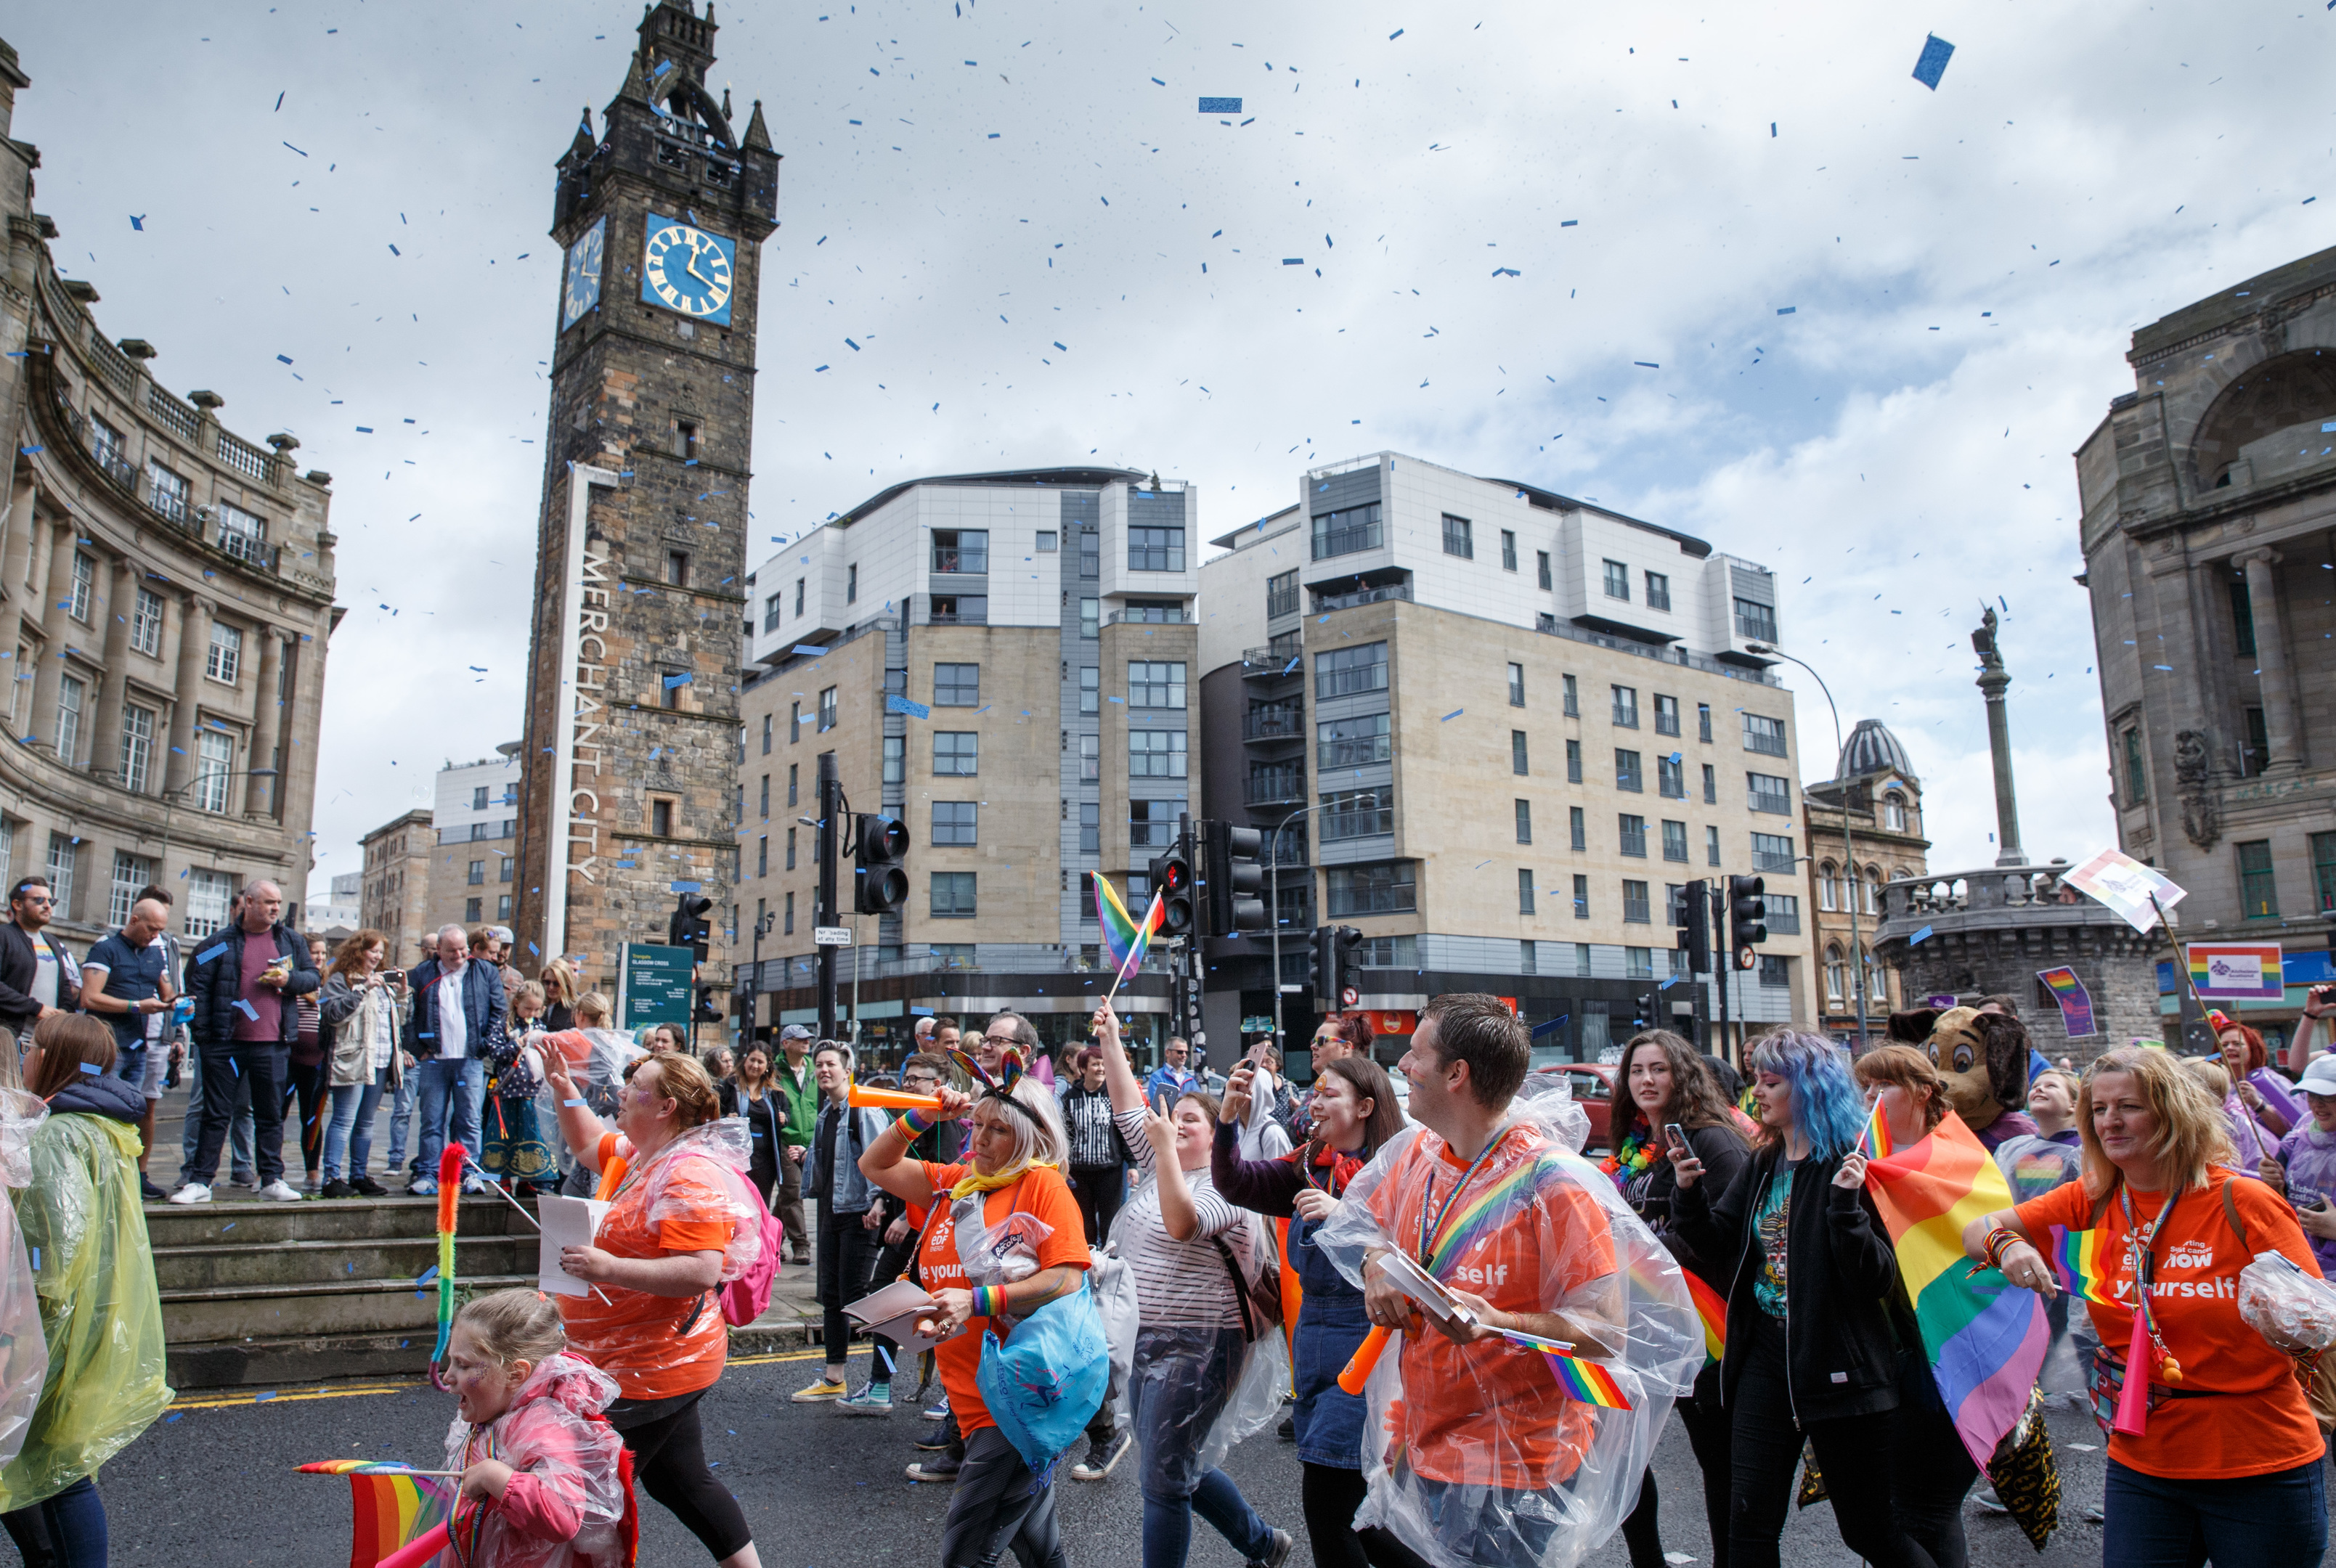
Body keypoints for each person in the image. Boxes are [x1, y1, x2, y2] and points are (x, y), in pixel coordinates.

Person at [1964, 1045, 2329, 1565]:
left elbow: (2316, 1320)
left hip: (2259, 1462)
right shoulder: (2092, 1197)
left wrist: (2284, 1316)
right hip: (2144, 1462)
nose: (2110, 1120)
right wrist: (2009, 1244)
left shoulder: (2242, 1201)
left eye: (2128, 1106)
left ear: (2172, 1111)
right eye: (2098, 1109)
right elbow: (1975, 1231)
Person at [1669, 1030, 1936, 1568]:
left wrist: (1845, 1211)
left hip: (1842, 1372)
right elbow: (1717, 1244)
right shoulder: (1765, 1162)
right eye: (1757, 1081)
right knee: (1748, 1527)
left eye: (1771, 1082)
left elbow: (1877, 1279)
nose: (1757, 1092)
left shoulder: (1850, 1163)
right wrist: (1688, 1194)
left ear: (1810, 1089)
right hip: (1764, 1364)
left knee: (1868, 1532)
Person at [855, 1034, 1090, 1568]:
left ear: (1029, 1137)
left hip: (1016, 1404)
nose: (979, 1138)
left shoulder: (1041, 1186)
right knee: (1039, 1549)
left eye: (997, 1129)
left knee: (964, 1556)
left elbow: (1067, 1279)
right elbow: (877, 1165)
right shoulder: (957, 1183)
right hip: (970, 1400)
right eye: (976, 1125)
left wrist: (976, 1300)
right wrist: (922, 1119)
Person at [541, 1048, 763, 1568]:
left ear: (664, 1107)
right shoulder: (641, 1156)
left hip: (653, 1367)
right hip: (631, 1358)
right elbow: (587, 1142)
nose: (621, 1091)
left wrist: (607, 1269)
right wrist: (562, 1087)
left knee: (583, 1496)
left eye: (635, 1083)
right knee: (680, 1480)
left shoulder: (688, 1174)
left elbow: (702, 1270)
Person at [1089, 1001, 1292, 1568]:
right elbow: (1128, 1103)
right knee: (1173, 1462)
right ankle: (1261, 1542)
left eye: (1190, 1122)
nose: (1175, 1126)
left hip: (1204, 1344)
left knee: (1161, 1479)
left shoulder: (1228, 1185)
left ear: (1214, 1135)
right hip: (1145, 1334)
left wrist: (1159, 1146)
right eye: (1170, 1118)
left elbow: (1183, 1225)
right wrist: (1109, 1038)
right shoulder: (1161, 1165)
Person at [1210, 1051, 1408, 1568]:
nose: (1312, 1103)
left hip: (1368, 1347)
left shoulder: (1401, 1171)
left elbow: (1416, 1259)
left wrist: (1346, 1215)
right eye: (1314, 1092)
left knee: (1328, 1505)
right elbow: (1235, 1183)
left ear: (1365, 1106)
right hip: (1313, 1350)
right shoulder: (1307, 1164)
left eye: (1328, 1094)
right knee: (1359, 1517)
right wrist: (1227, 1120)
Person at [0, 1015, 170, 1562]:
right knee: (58, 1467)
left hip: (56, 1329)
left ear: (54, 1059)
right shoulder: (105, 1128)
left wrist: (22, 1329)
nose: (26, 1057)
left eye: (33, 1048)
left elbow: (54, 1245)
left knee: (55, 1471)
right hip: (94, 1316)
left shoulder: (57, 1134)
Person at [1603, 1031, 1749, 1568]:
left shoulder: (1712, 1140)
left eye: (1658, 1069)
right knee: (1621, 1449)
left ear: (1681, 1074)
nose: (1645, 1080)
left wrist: (1643, 1253)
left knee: (1717, 1458)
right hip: (1642, 1323)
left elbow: (1731, 1234)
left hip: (1706, 1328)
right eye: (1636, 1071)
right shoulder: (1635, 1143)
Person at [1850, 1045, 1981, 1568]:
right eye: (1863, 1088)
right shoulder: (1869, 1162)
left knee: (1925, 1509)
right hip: (1885, 1355)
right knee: (1897, 1511)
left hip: (1945, 1355)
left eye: (1880, 1087)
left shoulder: (1955, 1160)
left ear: (1922, 1092)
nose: (1868, 1099)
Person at [441, 1289, 629, 1568]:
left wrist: (495, 1476)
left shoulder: (543, 1428)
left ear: (516, 1374)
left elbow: (562, 1517)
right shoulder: (496, 1412)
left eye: (463, 1365)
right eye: (451, 1361)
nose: (447, 1377)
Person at [171, 880, 320, 1205]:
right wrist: (204, 1037)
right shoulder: (220, 943)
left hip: (272, 1042)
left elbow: (312, 977)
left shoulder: (290, 941)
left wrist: (290, 980)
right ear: (248, 902)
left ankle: (272, 1179)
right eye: (268, 902)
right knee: (215, 1113)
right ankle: (200, 1181)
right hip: (224, 1042)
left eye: (278, 903)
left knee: (270, 1114)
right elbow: (196, 982)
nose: (275, 909)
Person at [794, 1042, 900, 1414]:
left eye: (831, 1065)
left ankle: (883, 1379)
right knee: (833, 1297)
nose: (824, 1070)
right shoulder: (827, 1114)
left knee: (863, 1299)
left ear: (846, 1070)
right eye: (819, 1065)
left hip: (861, 1214)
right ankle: (833, 1376)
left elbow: (882, 1157)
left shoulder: (863, 1109)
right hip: (833, 1211)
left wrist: (879, 1201)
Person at [78, 895, 176, 1201]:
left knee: (134, 1111)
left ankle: (130, 1174)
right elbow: (89, 998)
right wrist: (136, 1006)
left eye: (161, 930)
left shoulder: (155, 954)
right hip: (106, 1046)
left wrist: (179, 1005)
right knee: (101, 1108)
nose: (155, 936)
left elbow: (167, 992)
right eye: (151, 928)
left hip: (140, 1045)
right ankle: (97, 1173)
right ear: (134, 920)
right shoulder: (105, 949)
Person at [404, 923, 506, 1197]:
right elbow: (407, 1016)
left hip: (470, 1059)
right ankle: (427, 1173)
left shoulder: (484, 970)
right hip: (434, 1060)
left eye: (463, 949)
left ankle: (470, 1172)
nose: (460, 956)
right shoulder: (422, 974)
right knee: (431, 1119)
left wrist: (484, 1046)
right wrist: (418, 1049)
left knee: (469, 1120)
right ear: (438, 950)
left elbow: (499, 1011)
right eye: (452, 951)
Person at [318, 928, 408, 1198]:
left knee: (366, 1123)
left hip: (380, 1061)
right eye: (373, 951)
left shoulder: (383, 985)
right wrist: (361, 990)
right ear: (359, 951)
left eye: (381, 952)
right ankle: (331, 1177)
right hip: (354, 1059)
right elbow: (332, 1014)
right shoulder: (340, 980)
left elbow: (398, 1022)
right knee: (344, 1119)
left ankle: (359, 1174)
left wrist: (401, 994)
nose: (377, 957)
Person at [2264, 1054, 2336, 1276]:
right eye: (2312, 1096)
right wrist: (2271, 1182)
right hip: (2303, 1269)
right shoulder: (2302, 1130)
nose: (2317, 1104)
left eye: (2328, 1096)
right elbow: (2281, 1194)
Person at [483, 983, 557, 1195]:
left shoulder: (541, 1027)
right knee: (506, 1136)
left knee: (530, 1135)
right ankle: (503, 1182)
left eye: (536, 1010)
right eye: (528, 1009)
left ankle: (527, 1180)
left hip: (533, 1093)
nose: (531, 1014)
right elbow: (496, 1054)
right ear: (516, 1004)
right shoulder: (503, 1026)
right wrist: (518, 1043)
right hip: (508, 1093)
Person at [1059, 1046, 1129, 1247]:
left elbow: (1122, 1131)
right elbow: (1064, 1134)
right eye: (1095, 1064)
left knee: (1110, 1223)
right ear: (1083, 1068)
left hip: (1110, 1171)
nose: (1101, 1069)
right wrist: (1063, 1165)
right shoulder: (1070, 1098)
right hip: (1079, 1172)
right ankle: (1087, 1266)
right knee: (1084, 1223)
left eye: (1103, 1064)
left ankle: (1110, 1265)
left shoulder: (1113, 1096)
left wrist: (1132, 1164)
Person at [2207, 1010, 2292, 1165]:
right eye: (2224, 1045)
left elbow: (2290, 1128)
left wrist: (2258, 1105)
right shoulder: (2212, 1083)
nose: (2230, 1048)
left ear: (2253, 1049)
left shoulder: (2271, 1081)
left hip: (2271, 1164)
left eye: (2237, 1044)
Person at [285, 934, 334, 1194]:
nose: (320, 958)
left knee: (312, 1118)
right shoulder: (291, 980)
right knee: (276, 1115)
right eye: (315, 953)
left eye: (324, 954)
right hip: (288, 1058)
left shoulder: (329, 984)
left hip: (316, 1061)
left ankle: (312, 1171)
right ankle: (269, 1171)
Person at [0, 876, 78, 1037]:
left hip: (48, 1040)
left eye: (51, 901)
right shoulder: (4, 935)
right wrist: (37, 1008)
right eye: (39, 900)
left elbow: (64, 983)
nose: (47, 906)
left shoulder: (53, 942)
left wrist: (64, 1010)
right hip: (12, 1038)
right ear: (18, 905)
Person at [773, 1024, 818, 1265]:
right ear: (786, 1044)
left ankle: (772, 1240)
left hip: (809, 1140)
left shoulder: (814, 1068)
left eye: (807, 1039)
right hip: (784, 1139)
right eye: (800, 1039)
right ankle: (801, 1245)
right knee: (793, 1191)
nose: (806, 1043)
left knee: (785, 1199)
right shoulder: (775, 1071)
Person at [734, 1045, 785, 1207]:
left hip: (765, 1161)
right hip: (740, 1159)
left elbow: (786, 1113)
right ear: (745, 1060)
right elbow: (717, 1113)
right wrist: (727, 1117)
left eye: (760, 1062)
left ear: (767, 1065)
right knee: (741, 1205)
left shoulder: (775, 1091)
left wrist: (784, 1117)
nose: (755, 1065)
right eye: (752, 1060)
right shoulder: (731, 1086)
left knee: (761, 1205)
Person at [1145, 1035, 1198, 1114]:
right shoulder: (1157, 1077)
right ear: (1167, 1053)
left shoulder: (1190, 1079)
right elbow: (1159, 1105)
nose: (1184, 1055)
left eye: (1186, 1052)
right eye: (1180, 1052)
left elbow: (1200, 1102)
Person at [540, 962, 579, 1035]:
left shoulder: (575, 1008)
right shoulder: (537, 1005)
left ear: (566, 984)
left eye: (556, 984)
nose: (551, 987)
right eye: (547, 982)